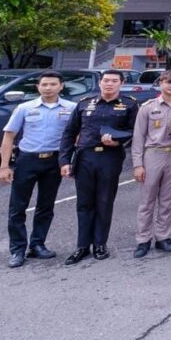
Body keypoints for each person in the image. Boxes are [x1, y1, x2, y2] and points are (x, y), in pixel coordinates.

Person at [60, 70, 138, 264]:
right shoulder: (84, 103)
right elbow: (69, 133)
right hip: (85, 157)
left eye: (114, 81)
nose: (109, 84)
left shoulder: (129, 104)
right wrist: (64, 161)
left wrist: (119, 142)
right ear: (100, 82)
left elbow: (135, 131)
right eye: (106, 80)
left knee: (104, 201)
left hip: (110, 158)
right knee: (84, 203)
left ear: (121, 83)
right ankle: (82, 246)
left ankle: (100, 243)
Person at [0, 71, 73, 267]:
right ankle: (17, 250)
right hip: (27, 160)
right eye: (44, 84)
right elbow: (9, 137)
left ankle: (38, 244)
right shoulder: (24, 108)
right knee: (17, 207)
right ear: (38, 87)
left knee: (46, 206)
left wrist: (70, 161)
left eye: (52, 84)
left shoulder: (71, 108)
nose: (48, 88)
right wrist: (4, 166)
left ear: (61, 86)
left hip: (54, 161)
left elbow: (76, 136)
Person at [131, 70, 171, 259]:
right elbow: (138, 136)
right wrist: (137, 164)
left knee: (167, 199)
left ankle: (162, 237)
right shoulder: (148, 107)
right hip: (153, 154)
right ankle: (143, 239)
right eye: (167, 82)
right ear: (160, 84)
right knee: (147, 199)